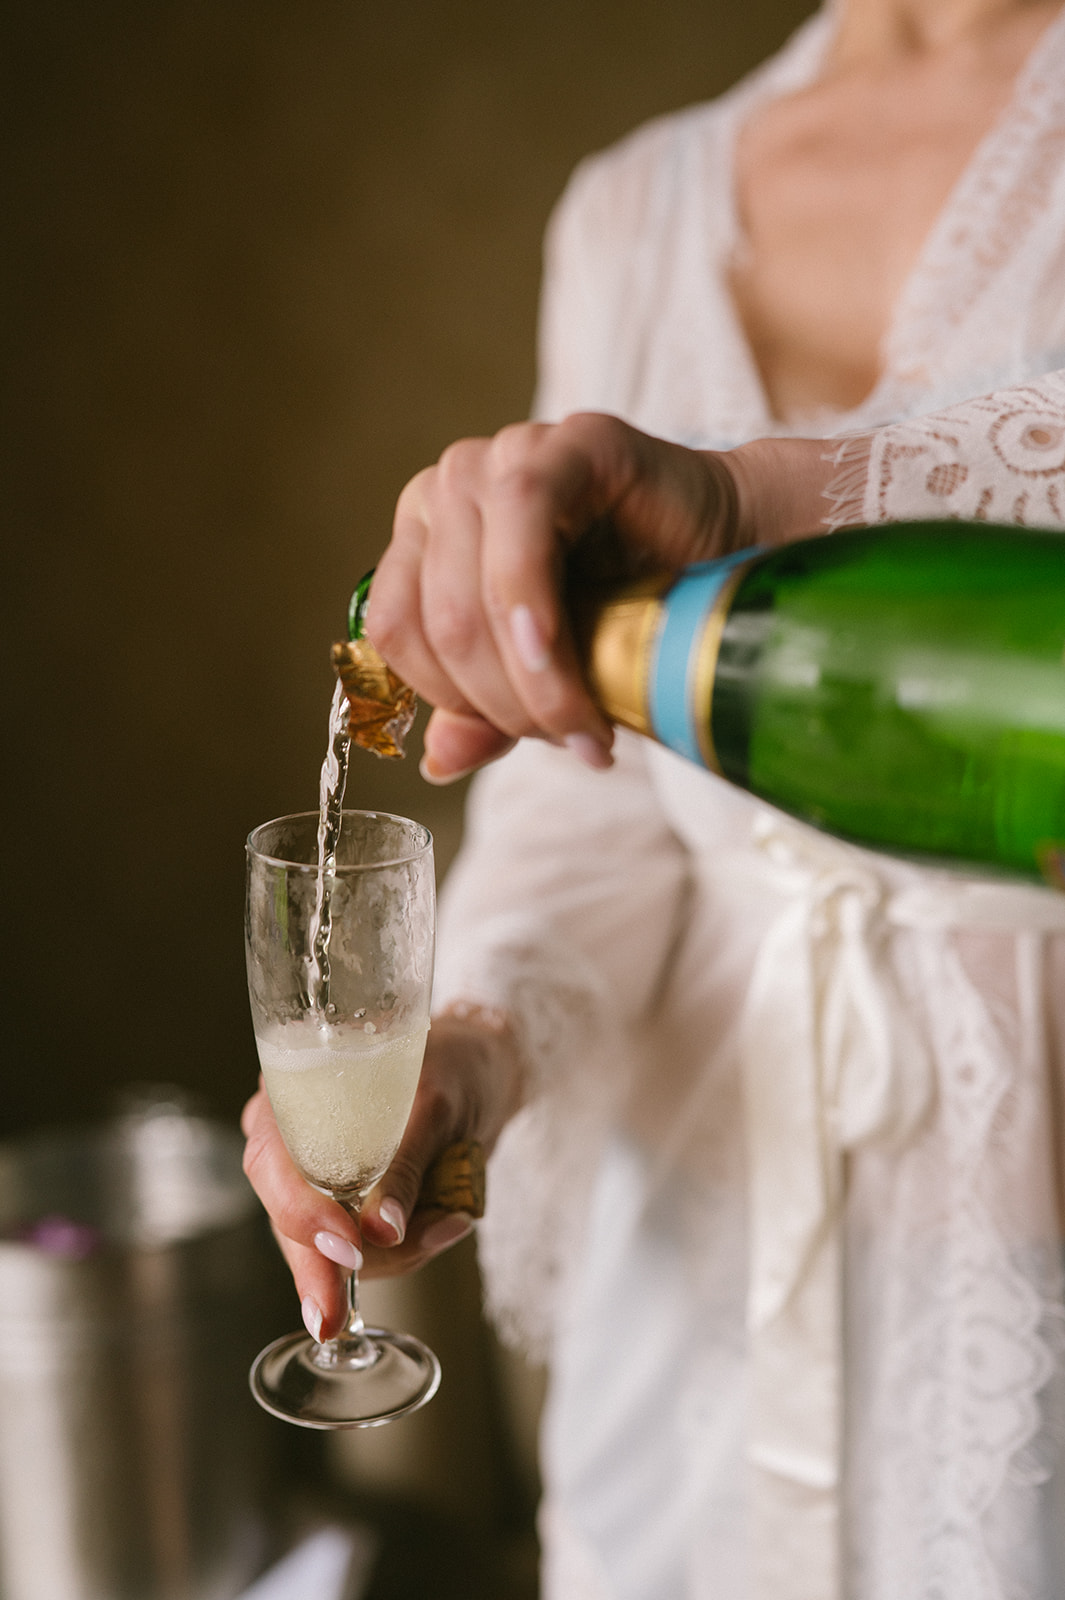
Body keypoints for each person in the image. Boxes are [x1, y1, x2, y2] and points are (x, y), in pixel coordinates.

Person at [241, 2, 1065, 1594]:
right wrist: (469, 1055)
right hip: (699, 1322)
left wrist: (762, 495)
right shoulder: (633, 205)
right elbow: (588, 804)